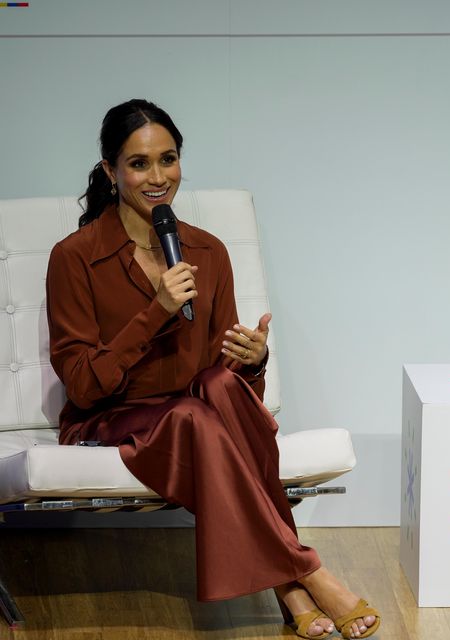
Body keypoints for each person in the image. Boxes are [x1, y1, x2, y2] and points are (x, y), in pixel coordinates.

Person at [46, 99, 380, 640]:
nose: (158, 177)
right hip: (107, 422)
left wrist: (253, 359)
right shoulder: (75, 257)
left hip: (193, 415)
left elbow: (224, 382)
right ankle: (307, 574)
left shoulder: (207, 249)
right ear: (110, 171)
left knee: (218, 387)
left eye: (168, 159)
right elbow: (84, 385)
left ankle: (292, 588)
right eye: (138, 164)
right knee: (194, 415)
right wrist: (154, 311)